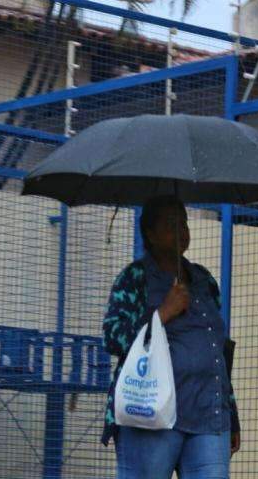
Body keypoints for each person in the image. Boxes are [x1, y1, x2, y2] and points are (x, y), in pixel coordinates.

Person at [101, 196, 241, 479]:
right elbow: (113, 337)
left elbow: (216, 352)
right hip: (149, 416)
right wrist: (163, 313)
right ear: (149, 234)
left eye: (184, 223)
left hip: (208, 415)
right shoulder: (134, 278)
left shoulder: (204, 281)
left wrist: (232, 415)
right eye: (171, 224)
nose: (181, 231)